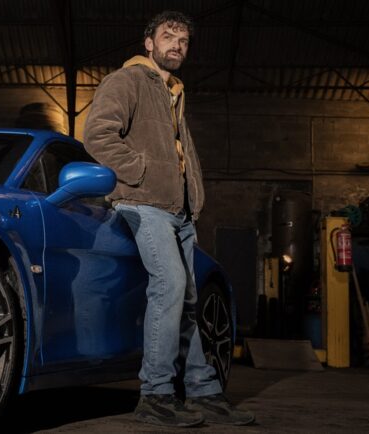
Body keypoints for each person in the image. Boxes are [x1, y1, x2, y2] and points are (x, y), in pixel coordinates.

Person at [83, 10, 255, 427]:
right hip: (143, 204)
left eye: (183, 40)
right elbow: (97, 135)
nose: (176, 45)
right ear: (149, 43)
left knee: (188, 302)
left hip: (178, 211)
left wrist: (192, 195)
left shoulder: (174, 91)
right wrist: (141, 172)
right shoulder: (126, 81)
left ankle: (202, 391)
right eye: (168, 36)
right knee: (171, 285)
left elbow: (180, 153)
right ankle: (156, 394)